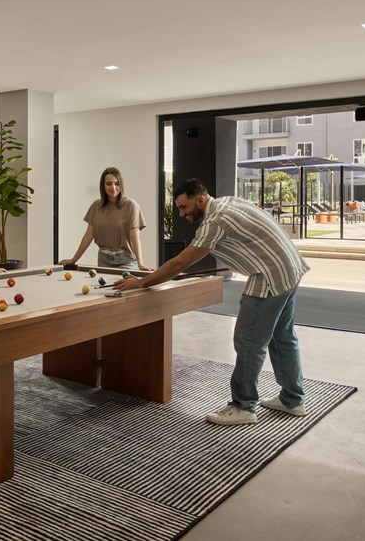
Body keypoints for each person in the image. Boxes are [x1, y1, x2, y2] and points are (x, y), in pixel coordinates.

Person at [113, 178, 309, 426]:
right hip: (288, 268)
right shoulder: (227, 202)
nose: (182, 213)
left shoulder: (215, 222)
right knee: (283, 338)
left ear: (201, 200)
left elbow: (180, 263)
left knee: (248, 342)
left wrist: (141, 283)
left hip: (268, 275)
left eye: (184, 207)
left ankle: (243, 406)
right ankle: (293, 399)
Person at [59, 166, 152, 272]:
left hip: (126, 261)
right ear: (103, 186)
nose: (113, 187)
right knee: (103, 289)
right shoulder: (96, 206)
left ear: (121, 184)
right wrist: (73, 259)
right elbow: (88, 236)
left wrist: (140, 263)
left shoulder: (131, 205)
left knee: (124, 288)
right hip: (103, 260)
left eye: (116, 183)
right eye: (108, 184)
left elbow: (134, 238)